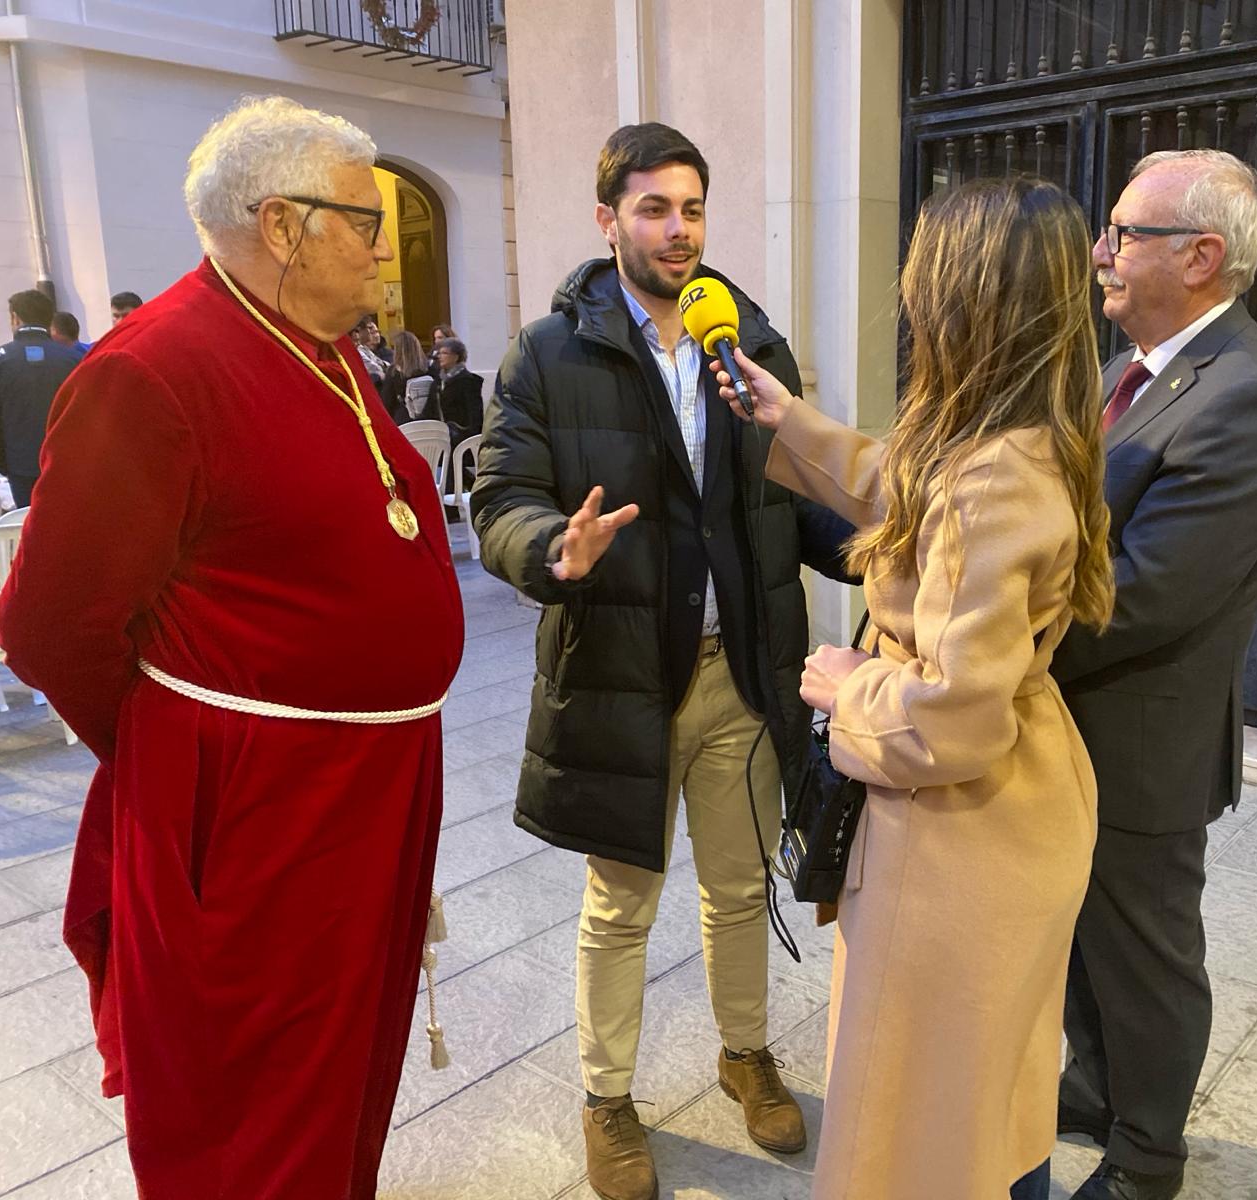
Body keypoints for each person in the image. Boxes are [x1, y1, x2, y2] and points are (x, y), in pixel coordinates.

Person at [0, 96, 464, 1198]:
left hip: (369, 787)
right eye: (364, 217)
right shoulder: (148, 372)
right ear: (283, 226)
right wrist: (192, 738)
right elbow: (49, 622)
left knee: (345, 1067)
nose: (385, 244)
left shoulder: (324, 348)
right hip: (260, 803)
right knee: (253, 1095)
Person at [472, 121, 854, 1200]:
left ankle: (745, 1054)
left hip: (742, 671)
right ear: (607, 219)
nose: (677, 229)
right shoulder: (549, 353)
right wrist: (553, 548)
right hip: (622, 675)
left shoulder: (749, 345)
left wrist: (874, 546)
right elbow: (500, 497)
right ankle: (608, 1097)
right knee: (619, 908)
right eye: (653, 208)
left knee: (738, 888)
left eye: (691, 207)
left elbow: (788, 504)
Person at [713, 176, 1115, 1200]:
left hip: (957, 842)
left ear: (961, 294)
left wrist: (847, 687)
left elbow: (951, 722)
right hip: (1008, 825)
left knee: (924, 1135)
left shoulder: (993, 474)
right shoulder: (1021, 436)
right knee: (983, 1109)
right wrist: (789, 417)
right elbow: (913, 489)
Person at [1050, 149, 1257, 1200]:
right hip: (1070, 724)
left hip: (1140, 741)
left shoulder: (1249, 398)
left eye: (1124, 234)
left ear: (1201, 256)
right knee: (1077, 934)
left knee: (1145, 957)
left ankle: (1147, 1153)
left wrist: (974, 630)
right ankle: (1095, 1084)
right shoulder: (1136, 367)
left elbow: (1142, 592)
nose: (1102, 253)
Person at [0, 289, 79, 507]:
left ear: (15, 317)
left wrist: (4, 462)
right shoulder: (74, 358)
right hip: (66, 461)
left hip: (20, 464)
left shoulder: (2, 360)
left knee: (28, 521)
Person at [433, 335, 482, 447]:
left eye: (444, 353)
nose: (440, 357)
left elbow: (474, 414)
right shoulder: (438, 382)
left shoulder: (468, 381)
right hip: (441, 437)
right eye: (439, 353)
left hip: (461, 439)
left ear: (456, 356)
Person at [380, 328, 437, 424]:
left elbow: (387, 402)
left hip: (404, 419)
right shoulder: (429, 367)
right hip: (429, 417)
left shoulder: (394, 372)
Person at [352, 313, 389, 386]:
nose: (370, 332)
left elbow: (381, 363)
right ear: (359, 330)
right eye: (368, 328)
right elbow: (375, 368)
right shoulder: (357, 351)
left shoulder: (363, 348)